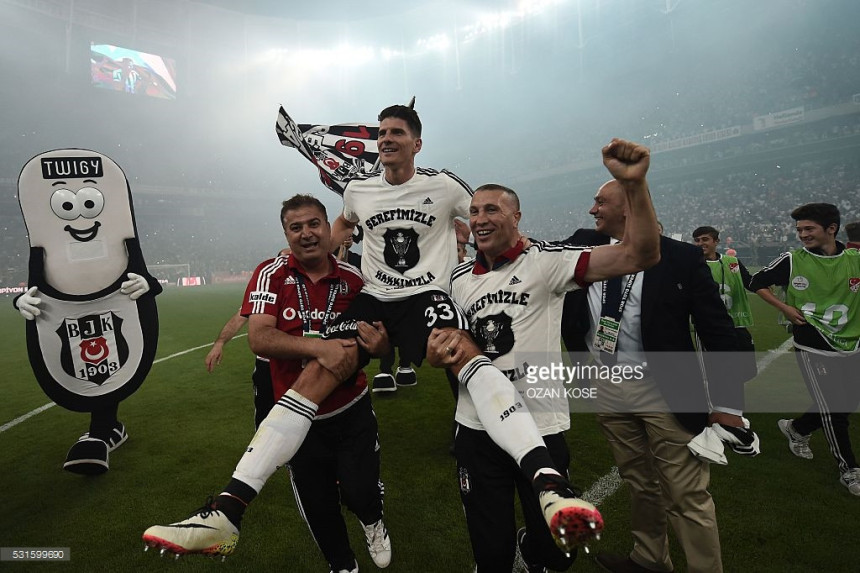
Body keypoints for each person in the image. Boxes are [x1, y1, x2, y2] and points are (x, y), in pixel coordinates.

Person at [142, 104, 605, 557]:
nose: (385, 139)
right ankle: (227, 511)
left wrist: (497, 249)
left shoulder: (443, 185)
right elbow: (342, 224)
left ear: (416, 143)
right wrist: (321, 244)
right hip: (375, 299)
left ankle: (548, 485)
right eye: (381, 133)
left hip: (427, 297)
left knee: (463, 354)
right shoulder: (360, 191)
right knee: (323, 368)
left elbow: (484, 215)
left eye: (396, 133)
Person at [425, 168, 660, 571]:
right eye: (475, 210)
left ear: (517, 217)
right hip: (477, 431)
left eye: (492, 209)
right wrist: (434, 353)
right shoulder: (457, 279)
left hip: (541, 425)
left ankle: (534, 547)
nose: (479, 218)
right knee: (490, 553)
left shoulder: (547, 261)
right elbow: (443, 343)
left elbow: (640, 254)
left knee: (555, 553)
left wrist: (636, 186)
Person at [145, 196, 393, 571]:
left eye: (313, 224)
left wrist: (382, 346)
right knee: (319, 505)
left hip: (350, 411)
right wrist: (318, 348)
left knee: (361, 492)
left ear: (328, 228)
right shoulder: (271, 273)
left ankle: (372, 521)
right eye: (296, 227)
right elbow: (259, 337)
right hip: (297, 422)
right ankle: (344, 566)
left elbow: (381, 337)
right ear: (286, 233)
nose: (306, 233)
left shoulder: (355, 279)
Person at [562, 181, 755, 573]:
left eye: (600, 202)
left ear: (631, 207)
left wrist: (729, 405)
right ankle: (649, 558)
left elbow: (717, 330)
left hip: (663, 387)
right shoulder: (585, 245)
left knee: (686, 493)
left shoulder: (681, 257)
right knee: (639, 482)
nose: (592, 210)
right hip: (607, 386)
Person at [750, 203, 860, 497]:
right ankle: (849, 469)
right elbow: (756, 282)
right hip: (811, 342)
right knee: (834, 409)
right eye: (799, 230)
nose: (802, 235)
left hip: (851, 342)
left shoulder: (855, 258)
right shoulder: (792, 259)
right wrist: (784, 307)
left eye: (809, 229)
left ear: (832, 229)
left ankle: (797, 429)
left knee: (846, 401)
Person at [205, 248, 290, 429]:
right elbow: (240, 317)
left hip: (297, 363)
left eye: (290, 258)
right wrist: (219, 343)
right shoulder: (266, 291)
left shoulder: (307, 290)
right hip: (267, 364)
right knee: (265, 418)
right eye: (284, 258)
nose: (287, 261)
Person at [692, 226, 758, 382]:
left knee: (747, 370)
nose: (700, 243)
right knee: (713, 373)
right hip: (707, 326)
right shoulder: (691, 265)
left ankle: (731, 398)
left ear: (716, 241)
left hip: (736, 321)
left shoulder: (732, 262)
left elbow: (749, 281)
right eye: (697, 240)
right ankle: (715, 402)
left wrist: (764, 284)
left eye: (705, 239)